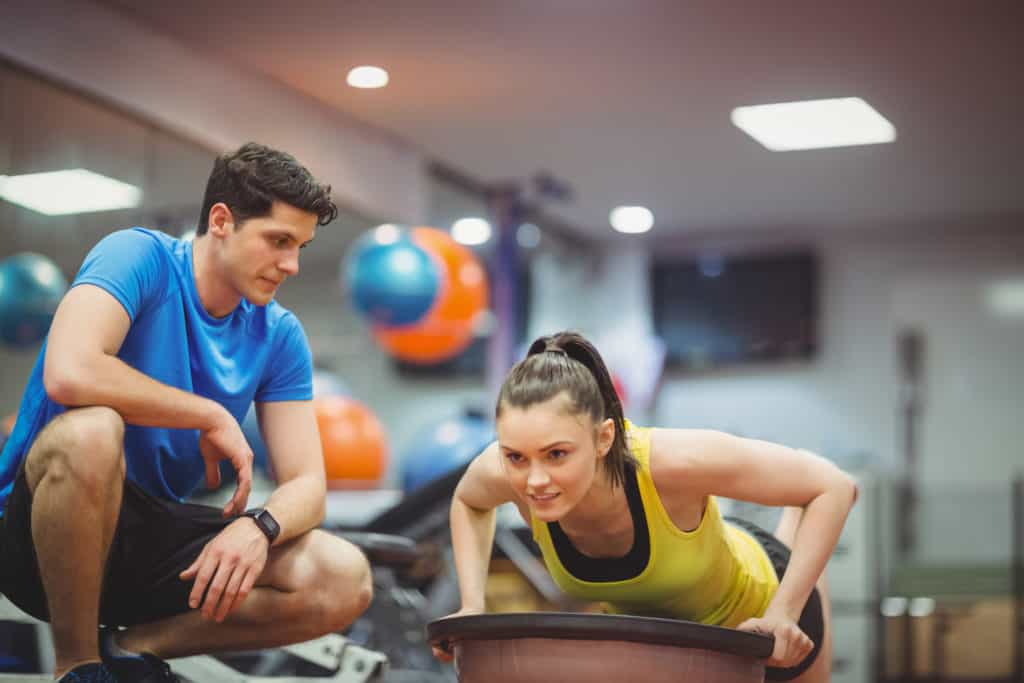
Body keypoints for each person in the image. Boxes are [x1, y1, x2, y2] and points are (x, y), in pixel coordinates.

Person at [0, 143, 374, 682]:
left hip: (148, 537)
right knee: (92, 431)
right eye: (278, 241)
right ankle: (76, 667)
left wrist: (259, 528)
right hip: (35, 540)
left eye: (301, 247)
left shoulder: (279, 334)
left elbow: (308, 485)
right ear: (221, 220)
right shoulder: (138, 257)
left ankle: (130, 651)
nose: (291, 264)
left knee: (343, 576)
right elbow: (70, 369)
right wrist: (208, 414)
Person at [436, 331, 858, 683]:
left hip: (763, 629)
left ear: (603, 438)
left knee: (802, 507)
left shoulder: (672, 461)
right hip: (670, 652)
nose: (535, 481)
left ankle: (792, 522)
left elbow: (834, 486)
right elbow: (468, 501)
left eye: (557, 454)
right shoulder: (502, 471)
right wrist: (472, 603)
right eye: (516, 457)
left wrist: (784, 613)